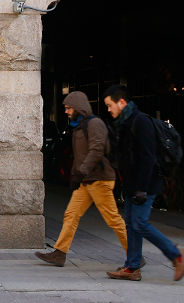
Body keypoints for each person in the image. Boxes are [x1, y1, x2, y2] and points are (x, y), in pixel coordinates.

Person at [103, 84, 184, 282]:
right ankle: (132, 267)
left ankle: (176, 255)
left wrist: (141, 189)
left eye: (110, 105)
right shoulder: (125, 122)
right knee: (132, 225)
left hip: (146, 184)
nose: (108, 109)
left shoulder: (141, 122)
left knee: (139, 223)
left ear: (121, 102)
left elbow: (148, 157)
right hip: (134, 184)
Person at [35, 91, 128, 267]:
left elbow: (96, 150)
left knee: (113, 220)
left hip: (99, 179)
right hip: (87, 180)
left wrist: (79, 172)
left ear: (78, 107)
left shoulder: (95, 124)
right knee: (71, 214)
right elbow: (82, 155)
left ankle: (134, 255)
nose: (66, 112)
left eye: (68, 108)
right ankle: (60, 253)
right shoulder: (79, 126)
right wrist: (76, 174)